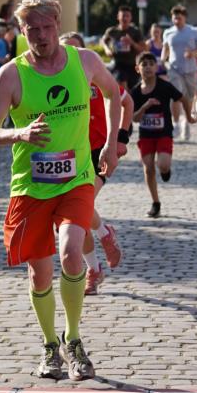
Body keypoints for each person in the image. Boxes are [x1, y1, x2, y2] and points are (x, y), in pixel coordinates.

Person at [0, 0, 119, 381]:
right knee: (40, 275)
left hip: (75, 180)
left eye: (47, 27)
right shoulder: (11, 74)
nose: (41, 35)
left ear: (58, 25)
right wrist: (19, 132)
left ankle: (74, 339)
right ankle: (49, 346)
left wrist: (109, 142)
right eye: (32, 29)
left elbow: (113, 94)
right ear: (21, 31)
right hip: (31, 186)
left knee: (72, 252)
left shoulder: (84, 60)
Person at [60, 32, 132, 295]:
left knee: (82, 205)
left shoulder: (94, 74)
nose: (70, 57)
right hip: (67, 152)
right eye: (64, 51)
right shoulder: (55, 79)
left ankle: (98, 250)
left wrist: (120, 139)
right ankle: (98, 256)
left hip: (96, 150)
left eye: (76, 51)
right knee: (73, 216)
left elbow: (126, 100)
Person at [131, 50, 196, 218]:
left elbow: (184, 99)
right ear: (137, 69)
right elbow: (135, 119)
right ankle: (155, 203)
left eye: (151, 64)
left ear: (157, 67)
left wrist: (188, 116)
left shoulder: (164, 86)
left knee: (163, 164)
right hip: (146, 135)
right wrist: (145, 106)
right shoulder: (136, 92)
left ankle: (165, 170)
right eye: (144, 64)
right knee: (148, 167)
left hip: (164, 134)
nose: (148, 68)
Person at [161, 4, 197, 141]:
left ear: (184, 18)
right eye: (174, 18)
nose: (176, 20)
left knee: (189, 98)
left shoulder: (193, 31)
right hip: (174, 69)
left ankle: (186, 122)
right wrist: (162, 60)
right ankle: (176, 123)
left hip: (190, 70)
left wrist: (193, 53)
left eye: (179, 18)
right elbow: (165, 48)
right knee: (176, 96)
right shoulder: (168, 32)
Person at [101, 6, 145, 85]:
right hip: (118, 64)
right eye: (123, 16)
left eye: (127, 16)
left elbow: (142, 49)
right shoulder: (111, 31)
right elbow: (102, 41)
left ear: (131, 18)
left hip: (132, 65)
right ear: (118, 17)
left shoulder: (135, 31)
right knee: (122, 84)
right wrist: (107, 50)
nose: (125, 18)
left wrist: (132, 42)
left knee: (132, 90)